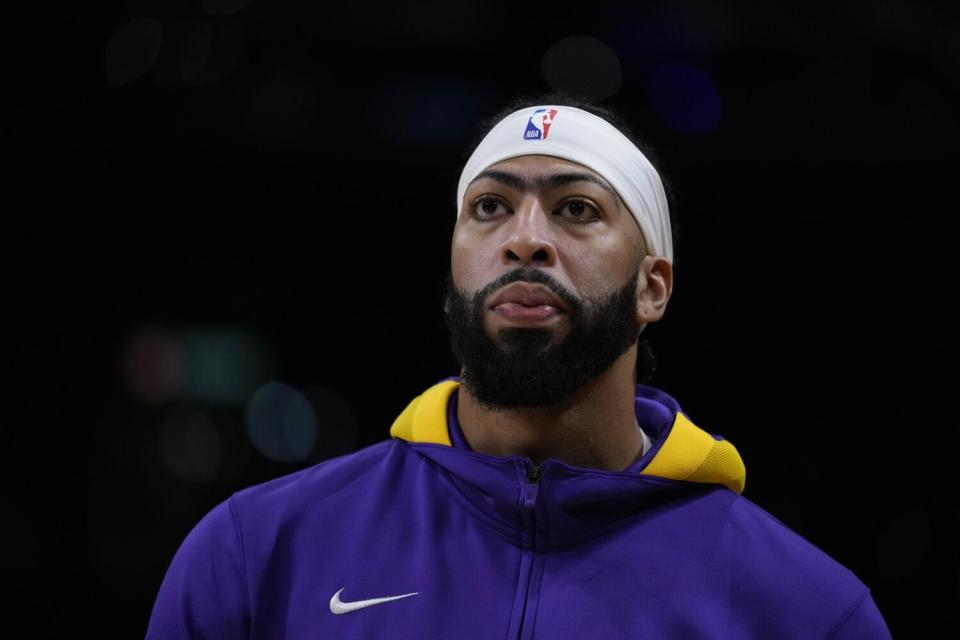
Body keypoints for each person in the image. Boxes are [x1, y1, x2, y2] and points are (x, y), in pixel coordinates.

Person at [145, 93, 893, 638]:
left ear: (653, 287)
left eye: (577, 210)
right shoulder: (256, 553)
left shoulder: (807, 609)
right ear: (453, 271)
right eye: (491, 208)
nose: (525, 240)